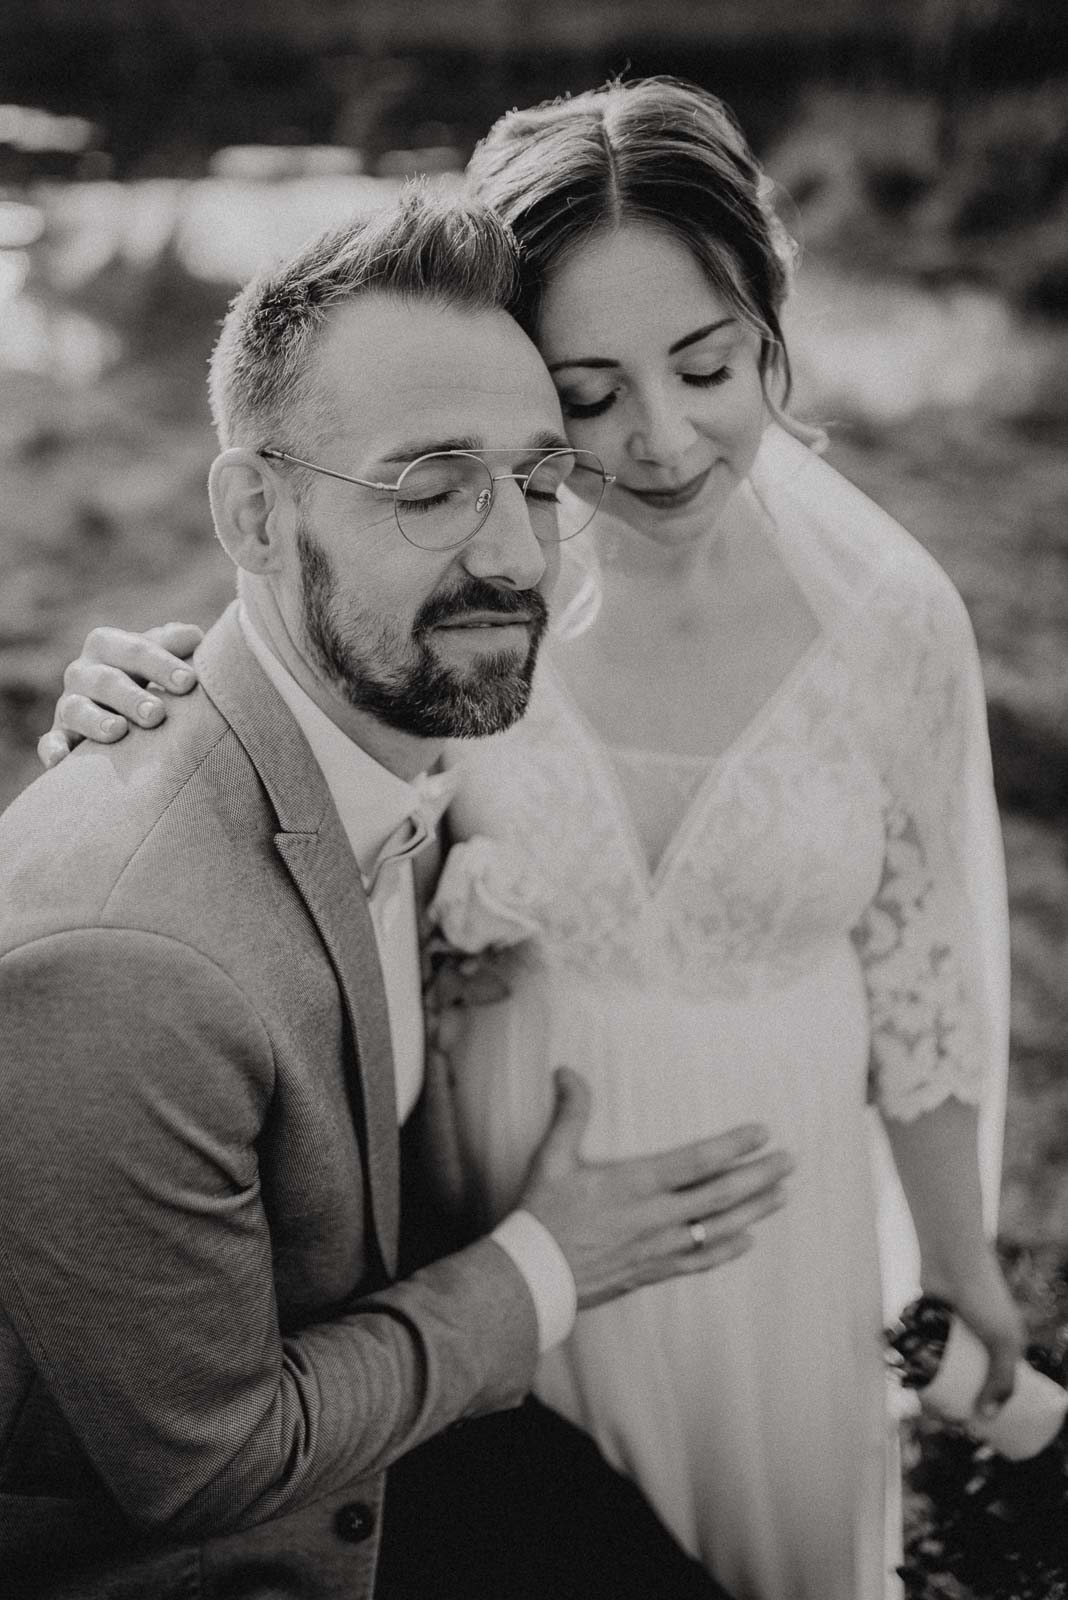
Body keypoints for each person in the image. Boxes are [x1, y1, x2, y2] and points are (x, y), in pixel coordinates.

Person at [40, 79, 1023, 1600]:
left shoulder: (886, 617)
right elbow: (284, 660)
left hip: (781, 1198)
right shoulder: (478, 606)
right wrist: (130, 686)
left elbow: (929, 983)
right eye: (585, 394)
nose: (663, 440)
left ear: (772, 326)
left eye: (708, 365)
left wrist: (958, 1264)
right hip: (498, 1195)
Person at [0, 188, 803, 1600]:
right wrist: (544, 1266)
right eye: (432, 490)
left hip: (406, 1424)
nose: (513, 554)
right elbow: (205, 1466)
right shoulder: (127, 962)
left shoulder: (398, 736)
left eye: (540, 483)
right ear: (254, 511)